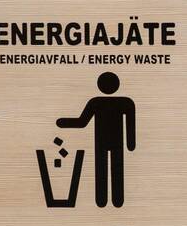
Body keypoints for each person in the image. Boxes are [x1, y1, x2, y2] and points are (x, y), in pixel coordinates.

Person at [57, 72, 136, 208]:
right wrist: (131, 143)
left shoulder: (97, 102)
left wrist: (62, 122)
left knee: (102, 170)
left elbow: (81, 122)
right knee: (115, 169)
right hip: (115, 143)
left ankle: (103, 200)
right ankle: (115, 200)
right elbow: (130, 124)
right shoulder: (125, 102)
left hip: (102, 143)